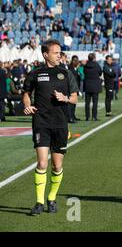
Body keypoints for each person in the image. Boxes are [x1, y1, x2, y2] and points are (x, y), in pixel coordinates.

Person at [22, 39, 79, 215]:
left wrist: (66, 99)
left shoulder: (66, 73)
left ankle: (51, 198)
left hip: (60, 124)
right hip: (41, 122)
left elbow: (75, 98)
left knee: (56, 166)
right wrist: (27, 105)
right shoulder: (35, 74)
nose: (59, 55)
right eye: (56, 52)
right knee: (42, 162)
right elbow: (26, 94)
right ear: (46, 54)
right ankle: (39, 202)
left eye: (60, 52)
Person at [83, 53, 102, 121]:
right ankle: (94, 116)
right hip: (95, 86)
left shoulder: (85, 66)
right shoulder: (97, 65)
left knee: (87, 103)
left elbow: (84, 72)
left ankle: (87, 117)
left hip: (87, 85)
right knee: (95, 102)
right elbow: (100, 73)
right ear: (94, 58)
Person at [68, 55, 81, 122]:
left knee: (74, 103)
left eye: (77, 60)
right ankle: (70, 117)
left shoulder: (76, 68)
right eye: (75, 60)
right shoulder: (70, 68)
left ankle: (73, 116)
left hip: (75, 87)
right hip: (71, 87)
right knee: (71, 103)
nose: (77, 62)